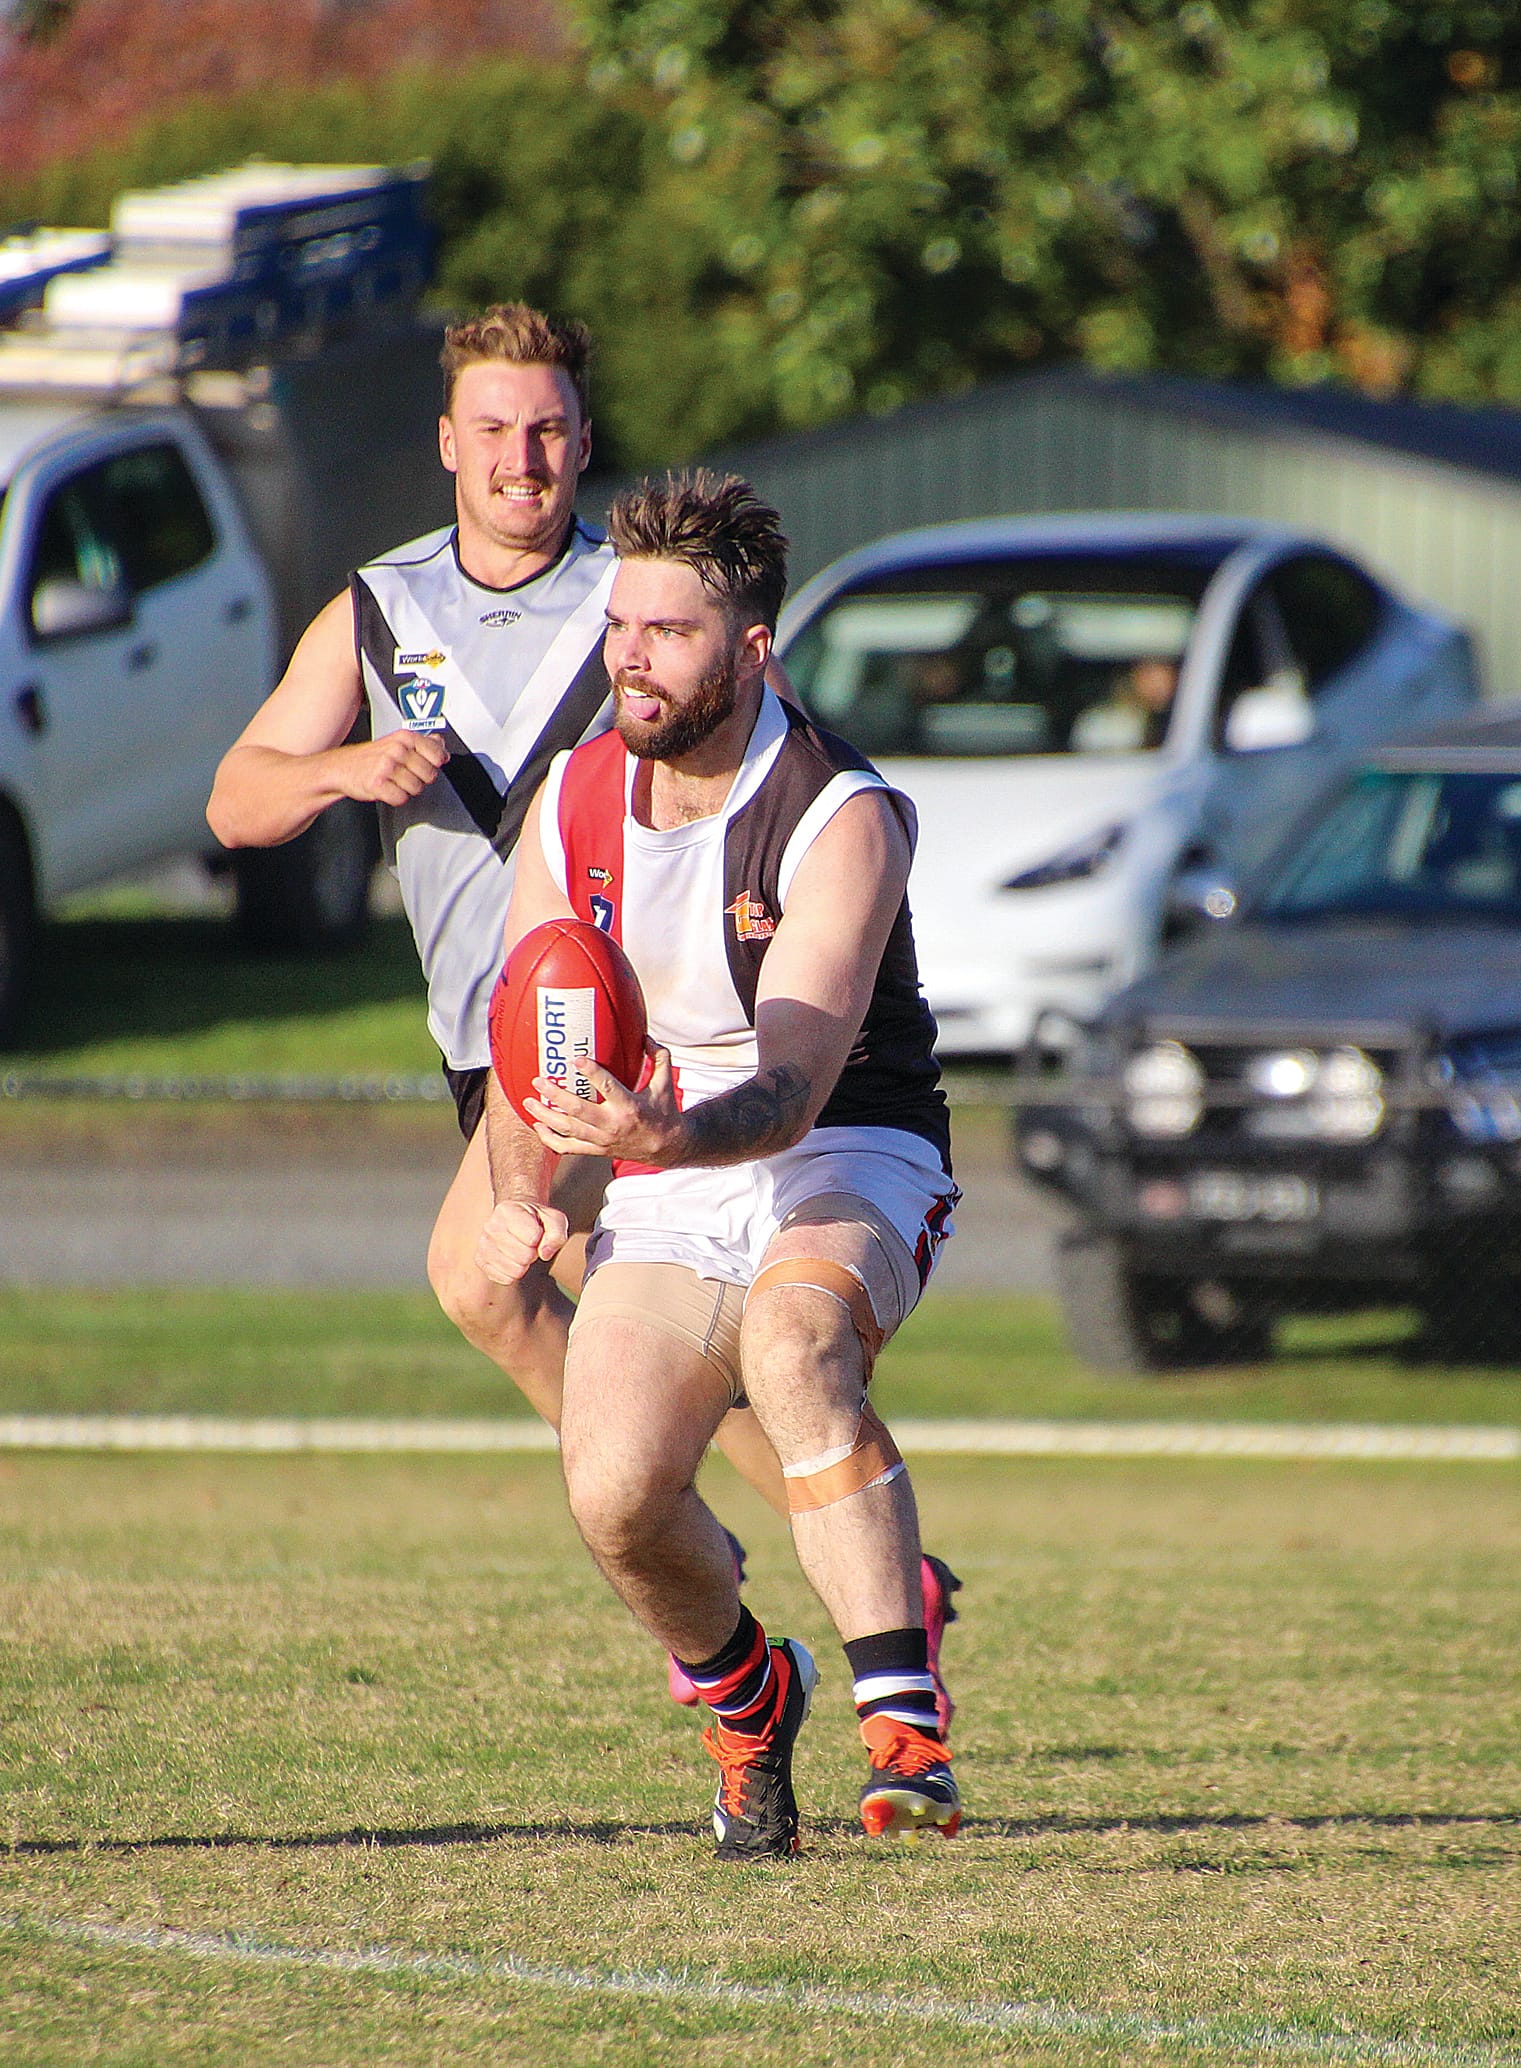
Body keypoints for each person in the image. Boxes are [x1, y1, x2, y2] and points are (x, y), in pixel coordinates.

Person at [205, 305, 961, 1703]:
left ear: (584, 441)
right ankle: (742, 1535)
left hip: (642, 1046)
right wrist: (340, 770)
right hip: (486, 1031)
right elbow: (235, 801)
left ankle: (792, 1571)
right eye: (493, 426)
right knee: (530, 1293)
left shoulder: (640, 595)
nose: (522, 456)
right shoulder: (383, 610)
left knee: (611, 1297)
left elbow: (772, 767)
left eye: (548, 427)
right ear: (446, 441)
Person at [478, 471, 962, 1858]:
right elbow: (539, 1034)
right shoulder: (574, 798)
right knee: (613, 1491)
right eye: (619, 624)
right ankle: (751, 1703)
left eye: (669, 632)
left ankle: (905, 1728)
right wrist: (529, 1188)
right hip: (668, 1165)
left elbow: (797, 1085)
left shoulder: (836, 812)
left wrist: (659, 1136)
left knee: (797, 1343)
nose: (630, 655)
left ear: (751, 650)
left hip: (843, 1150)